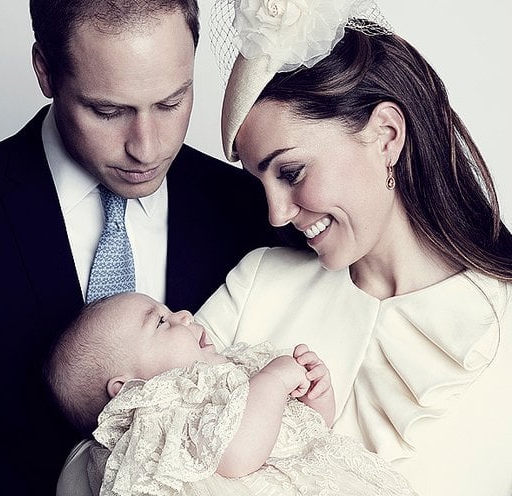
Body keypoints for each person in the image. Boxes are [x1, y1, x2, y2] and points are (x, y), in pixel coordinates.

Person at [0, 1, 301, 493]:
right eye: (108, 111)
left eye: (171, 103)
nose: (146, 147)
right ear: (45, 71)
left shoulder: (255, 211)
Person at [196, 0, 512, 495]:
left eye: (291, 172)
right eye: (260, 183)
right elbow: (132, 442)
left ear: (386, 135)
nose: (276, 214)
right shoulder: (257, 282)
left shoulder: (503, 328)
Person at [45, 291, 417, 496]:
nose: (185, 315)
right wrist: (272, 381)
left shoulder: (233, 372)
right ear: (127, 390)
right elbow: (236, 452)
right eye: (160, 322)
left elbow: (296, 437)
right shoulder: (160, 415)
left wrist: (314, 401)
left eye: (170, 310)